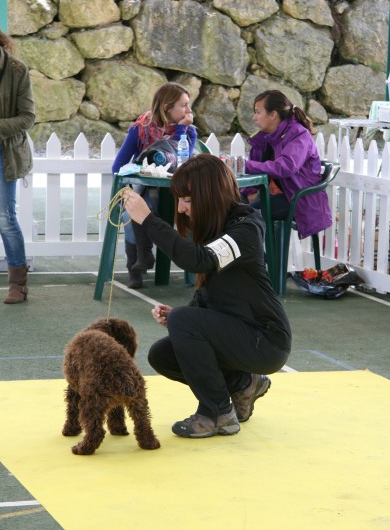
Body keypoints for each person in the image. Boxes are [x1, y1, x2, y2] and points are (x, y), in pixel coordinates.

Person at [123, 154, 292, 439]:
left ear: (210, 195)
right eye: (179, 200)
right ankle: (243, 384)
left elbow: (199, 260)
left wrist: (148, 220)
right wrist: (184, 315)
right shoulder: (217, 227)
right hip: (243, 334)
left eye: (187, 200)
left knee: (183, 320)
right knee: (163, 355)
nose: (181, 208)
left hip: (267, 340)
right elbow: (213, 289)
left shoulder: (245, 229)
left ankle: (217, 414)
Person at [112, 82, 197, 289]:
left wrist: (180, 130)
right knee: (132, 209)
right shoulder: (140, 128)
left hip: (175, 194)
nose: (189, 110)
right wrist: (134, 180)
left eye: (188, 104)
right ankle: (136, 266)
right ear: (167, 107)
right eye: (183, 105)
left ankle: (147, 256)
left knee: (152, 204)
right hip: (143, 189)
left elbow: (178, 163)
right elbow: (118, 166)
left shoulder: (188, 132)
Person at [0, 12, 35, 304]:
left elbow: (28, 118)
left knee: (4, 219)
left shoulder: (17, 70)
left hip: (0, 151)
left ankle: (18, 284)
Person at [242, 90, 332, 239]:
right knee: (230, 206)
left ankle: (263, 255)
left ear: (273, 114)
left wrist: (246, 165)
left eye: (258, 112)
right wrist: (250, 190)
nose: (254, 117)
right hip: (274, 195)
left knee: (246, 217)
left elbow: (285, 167)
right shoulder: (264, 137)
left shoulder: (299, 134)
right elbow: (255, 163)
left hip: (298, 199)